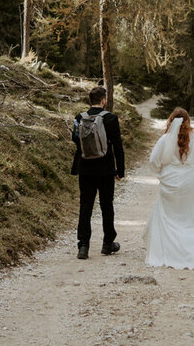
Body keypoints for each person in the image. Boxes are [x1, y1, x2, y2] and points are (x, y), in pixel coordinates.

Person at [144, 107, 194, 270]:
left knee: (170, 216)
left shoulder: (165, 139)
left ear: (171, 121)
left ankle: (171, 252)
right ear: (188, 121)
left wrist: (161, 171)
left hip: (170, 179)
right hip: (192, 179)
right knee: (192, 215)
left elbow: (152, 160)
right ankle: (193, 250)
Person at [70, 85, 124, 259]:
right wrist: (120, 170)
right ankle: (108, 244)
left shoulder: (80, 117)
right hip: (106, 169)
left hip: (85, 168)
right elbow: (117, 146)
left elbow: (76, 140)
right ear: (103, 100)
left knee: (85, 206)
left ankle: (83, 246)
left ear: (90, 101)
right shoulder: (111, 119)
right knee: (106, 205)